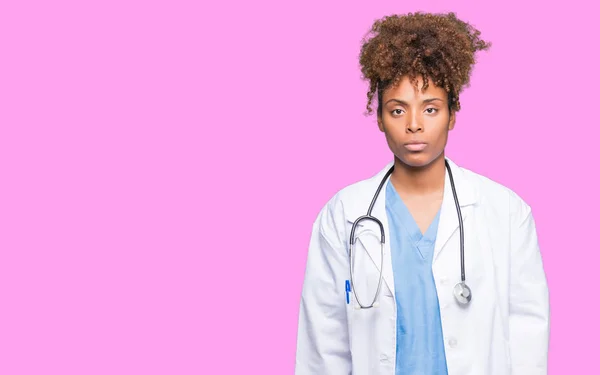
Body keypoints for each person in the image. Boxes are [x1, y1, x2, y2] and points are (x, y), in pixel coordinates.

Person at [294, 12, 550, 375]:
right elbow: (323, 341)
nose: (414, 123)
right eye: (397, 110)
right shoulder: (343, 214)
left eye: (431, 108)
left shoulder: (506, 212)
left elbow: (528, 334)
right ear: (380, 118)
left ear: (452, 114)